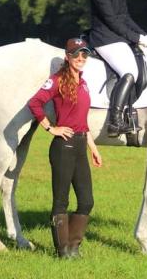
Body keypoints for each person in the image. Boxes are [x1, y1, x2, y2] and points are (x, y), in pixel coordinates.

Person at [28, 37, 103, 259]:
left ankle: (73, 246)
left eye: (84, 54)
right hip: (63, 147)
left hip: (81, 143)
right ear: (67, 57)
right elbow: (35, 103)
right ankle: (62, 251)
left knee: (87, 201)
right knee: (61, 201)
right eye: (76, 54)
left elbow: (82, 119)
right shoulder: (57, 80)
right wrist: (51, 128)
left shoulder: (84, 82)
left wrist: (93, 148)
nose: (81, 58)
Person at [88, 0, 147, 137]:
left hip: (117, 37)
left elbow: (124, 16)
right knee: (129, 70)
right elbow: (111, 20)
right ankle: (115, 122)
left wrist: (143, 34)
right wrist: (135, 37)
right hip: (104, 38)